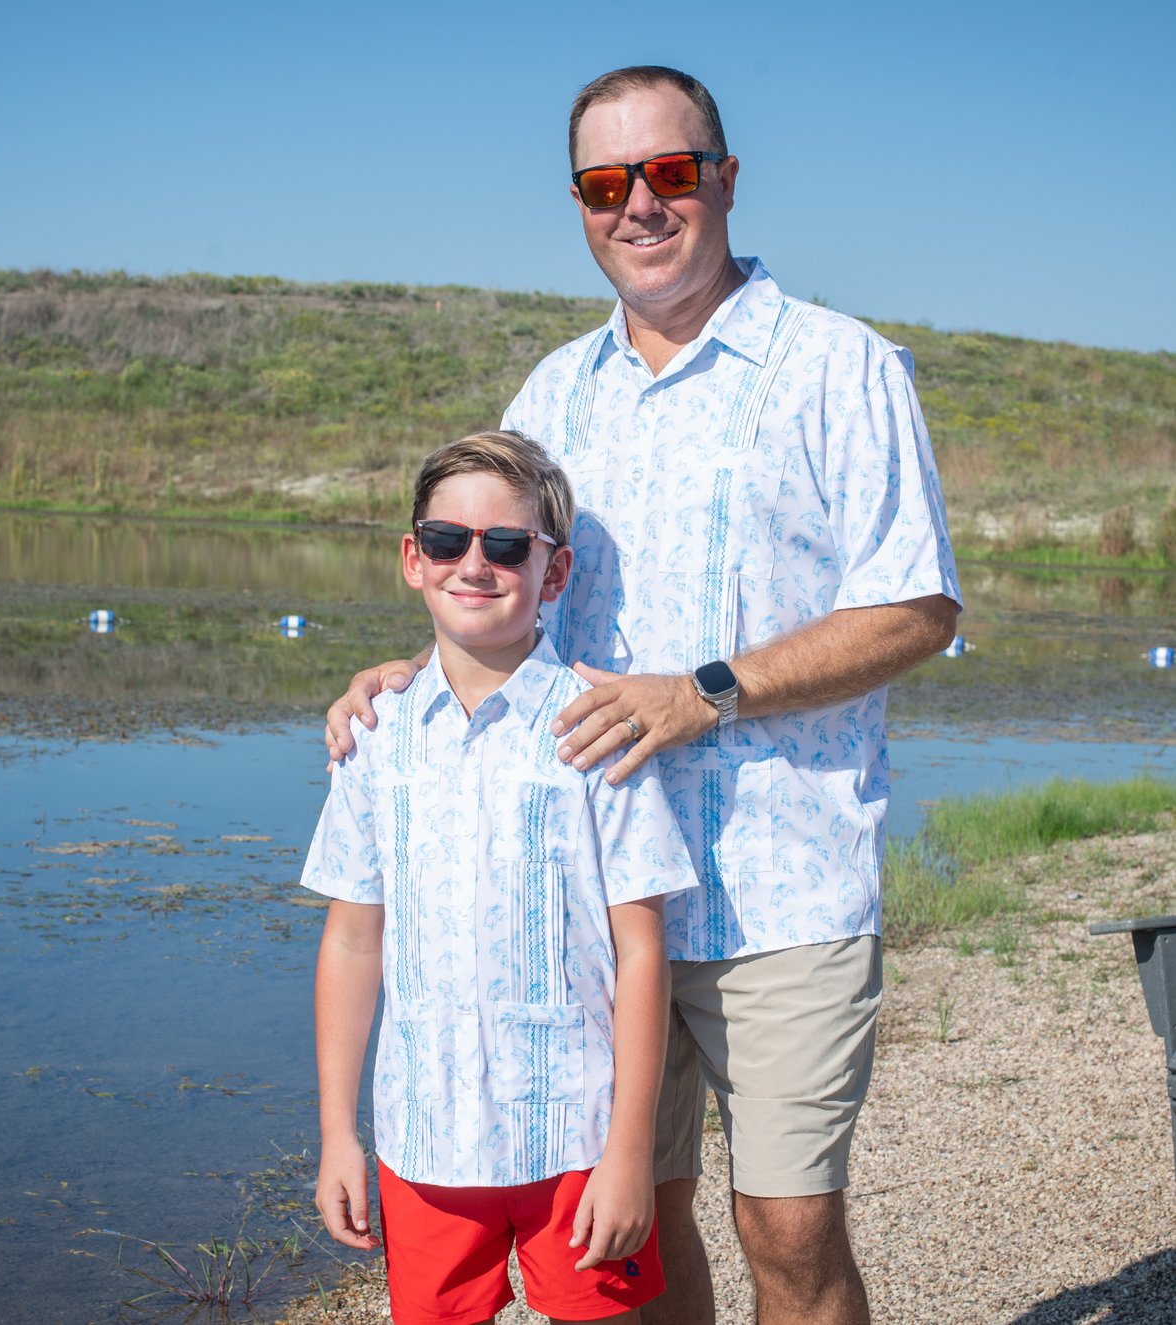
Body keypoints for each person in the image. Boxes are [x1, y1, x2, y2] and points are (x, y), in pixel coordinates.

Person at [324, 67, 962, 1325]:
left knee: (785, 1221)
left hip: (781, 875)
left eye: (667, 174)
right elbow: (495, 575)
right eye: (604, 184)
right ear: (577, 203)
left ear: (722, 179)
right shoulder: (551, 395)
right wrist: (402, 675)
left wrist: (704, 692)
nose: (639, 206)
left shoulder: (839, 367)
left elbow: (915, 607)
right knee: (636, 1228)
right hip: (590, 902)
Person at [305, 429, 698, 1325]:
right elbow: (352, 939)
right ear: (414, 558)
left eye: (506, 546)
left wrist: (628, 1150)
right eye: (447, 541)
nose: (473, 564)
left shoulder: (596, 732)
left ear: (552, 573)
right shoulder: (374, 736)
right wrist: (338, 1134)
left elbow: (641, 953)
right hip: (424, 1141)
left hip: (572, 1136)